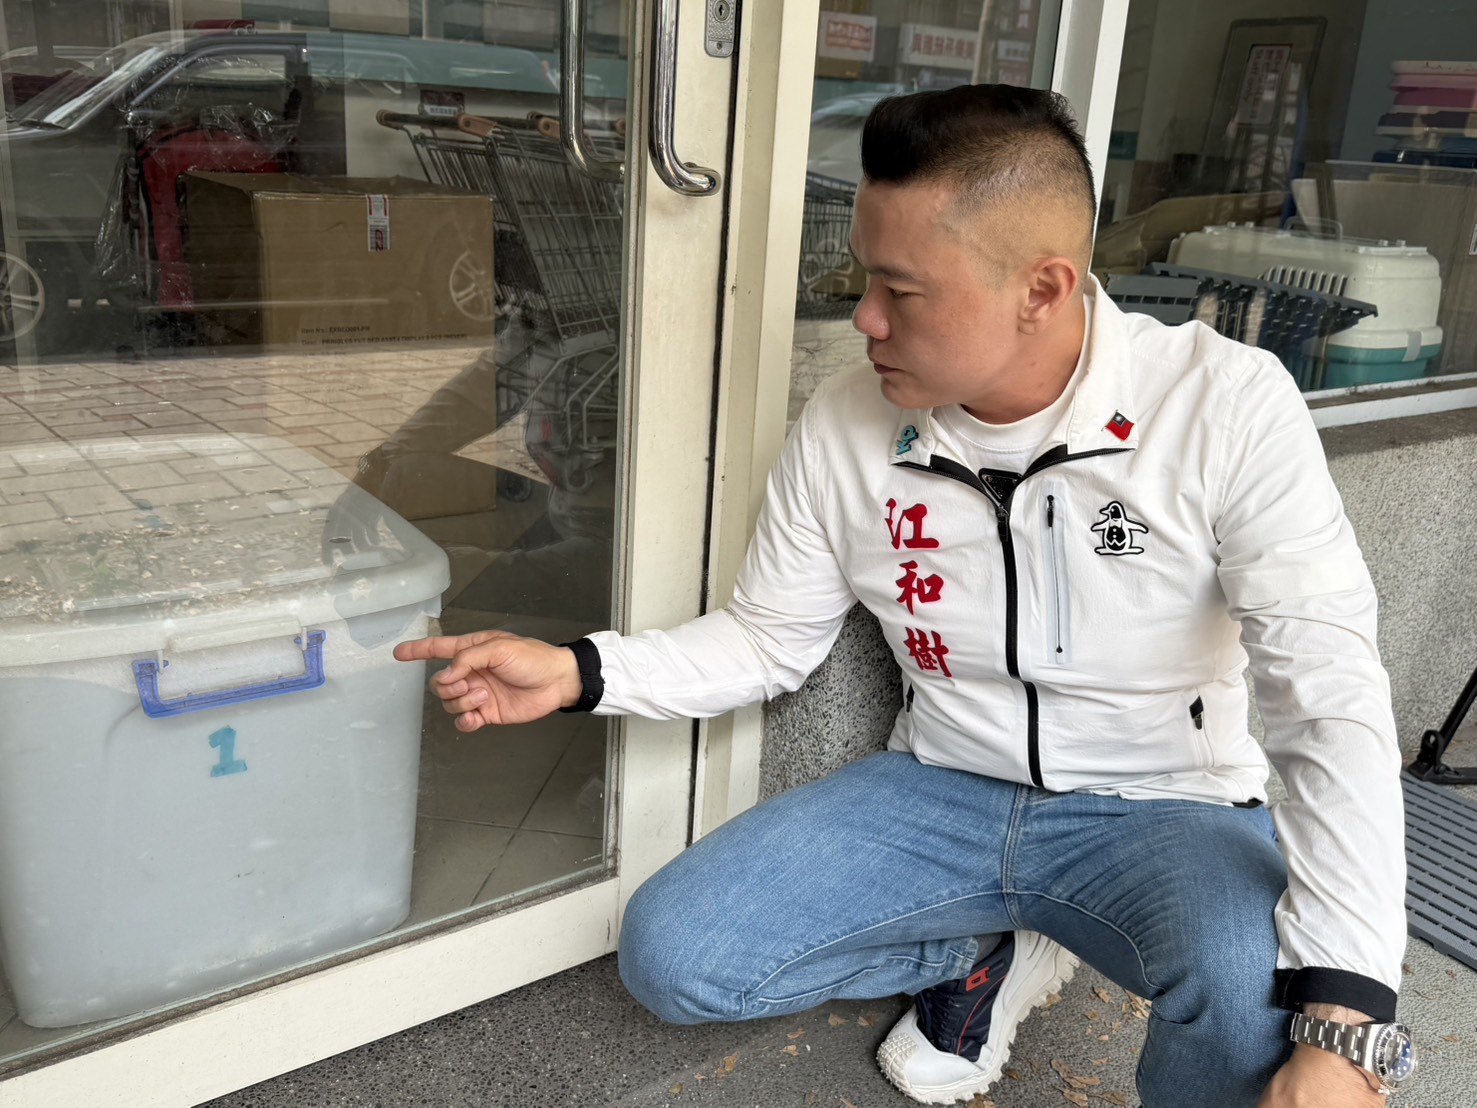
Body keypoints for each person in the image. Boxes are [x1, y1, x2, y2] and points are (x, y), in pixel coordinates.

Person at [393, 85, 1411, 1107]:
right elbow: (766, 640)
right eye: (861, 276)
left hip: (1160, 805)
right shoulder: (846, 422)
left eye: (901, 289)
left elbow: (1327, 698)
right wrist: (580, 670)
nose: (863, 318)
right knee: (676, 955)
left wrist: (1347, 1023)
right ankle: (976, 953)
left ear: (1042, 288)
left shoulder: (1222, 405)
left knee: (1258, 1006)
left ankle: (1071, 945)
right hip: (942, 786)